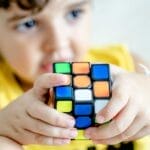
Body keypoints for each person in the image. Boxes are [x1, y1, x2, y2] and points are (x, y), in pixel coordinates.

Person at [0, 0, 150, 150]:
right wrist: (4, 135)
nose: (58, 43)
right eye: (28, 24)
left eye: (74, 13)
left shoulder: (126, 64)